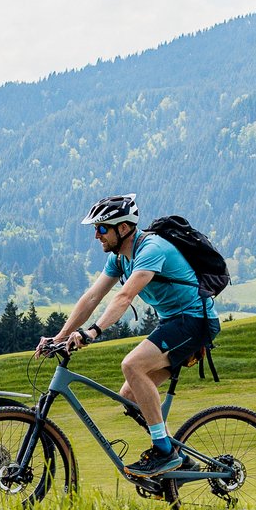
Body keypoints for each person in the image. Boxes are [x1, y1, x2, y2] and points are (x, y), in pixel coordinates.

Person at [42, 193, 215, 474]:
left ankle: (164, 451)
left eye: (101, 229)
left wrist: (93, 332)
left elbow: (124, 297)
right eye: (95, 229)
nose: (96, 236)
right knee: (130, 396)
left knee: (131, 365)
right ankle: (178, 463)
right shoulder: (120, 259)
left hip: (194, 320)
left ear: (123, 228)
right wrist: (60, 336)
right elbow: (91, 298)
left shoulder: (151, 249)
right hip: (174, 321)